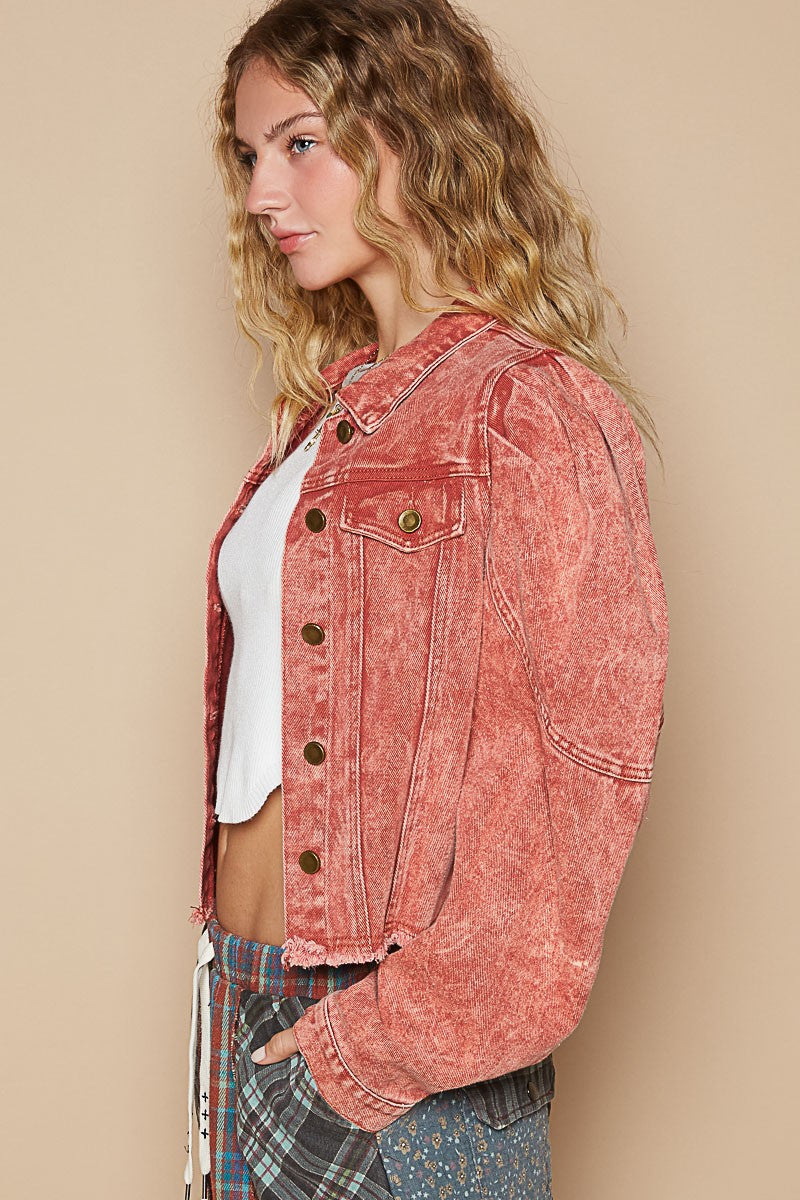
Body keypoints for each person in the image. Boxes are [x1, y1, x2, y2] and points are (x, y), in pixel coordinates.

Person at [182, 1, 670, 1196]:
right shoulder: (330, 418)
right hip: (244, 995)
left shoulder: (527, 409)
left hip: (388, 1045)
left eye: (300, 143)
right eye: (249, 155)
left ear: (412, 130)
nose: (262, 193)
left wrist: (372, 1046)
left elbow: (576, 787)